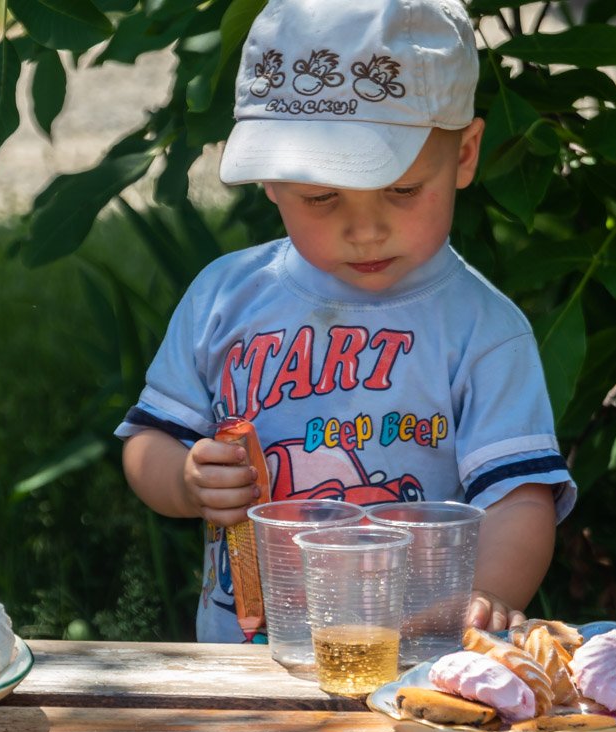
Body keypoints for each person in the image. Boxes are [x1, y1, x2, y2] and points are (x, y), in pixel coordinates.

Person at [116, 0, 576, 643]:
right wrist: (187, 479)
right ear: (272, 180)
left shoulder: (483, 330)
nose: (364, 230)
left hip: (417, 658)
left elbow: (519, 498)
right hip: (245, 667)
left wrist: (489, 593)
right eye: (322, 198)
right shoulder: (225, 299)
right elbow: (148, 443)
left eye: (403, 190)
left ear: (465, 154)